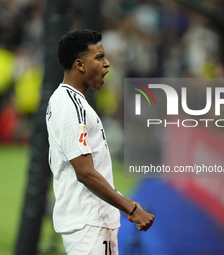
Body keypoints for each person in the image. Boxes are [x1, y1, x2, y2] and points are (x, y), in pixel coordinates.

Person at [46, 29, 154, 255]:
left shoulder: (74, 102)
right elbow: (84, 172)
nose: (107, 64)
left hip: (94, 219)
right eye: (99, 57)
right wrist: (131, 208)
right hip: (89, 221)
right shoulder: (70, 107)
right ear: (80, 64)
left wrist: (123, 202)